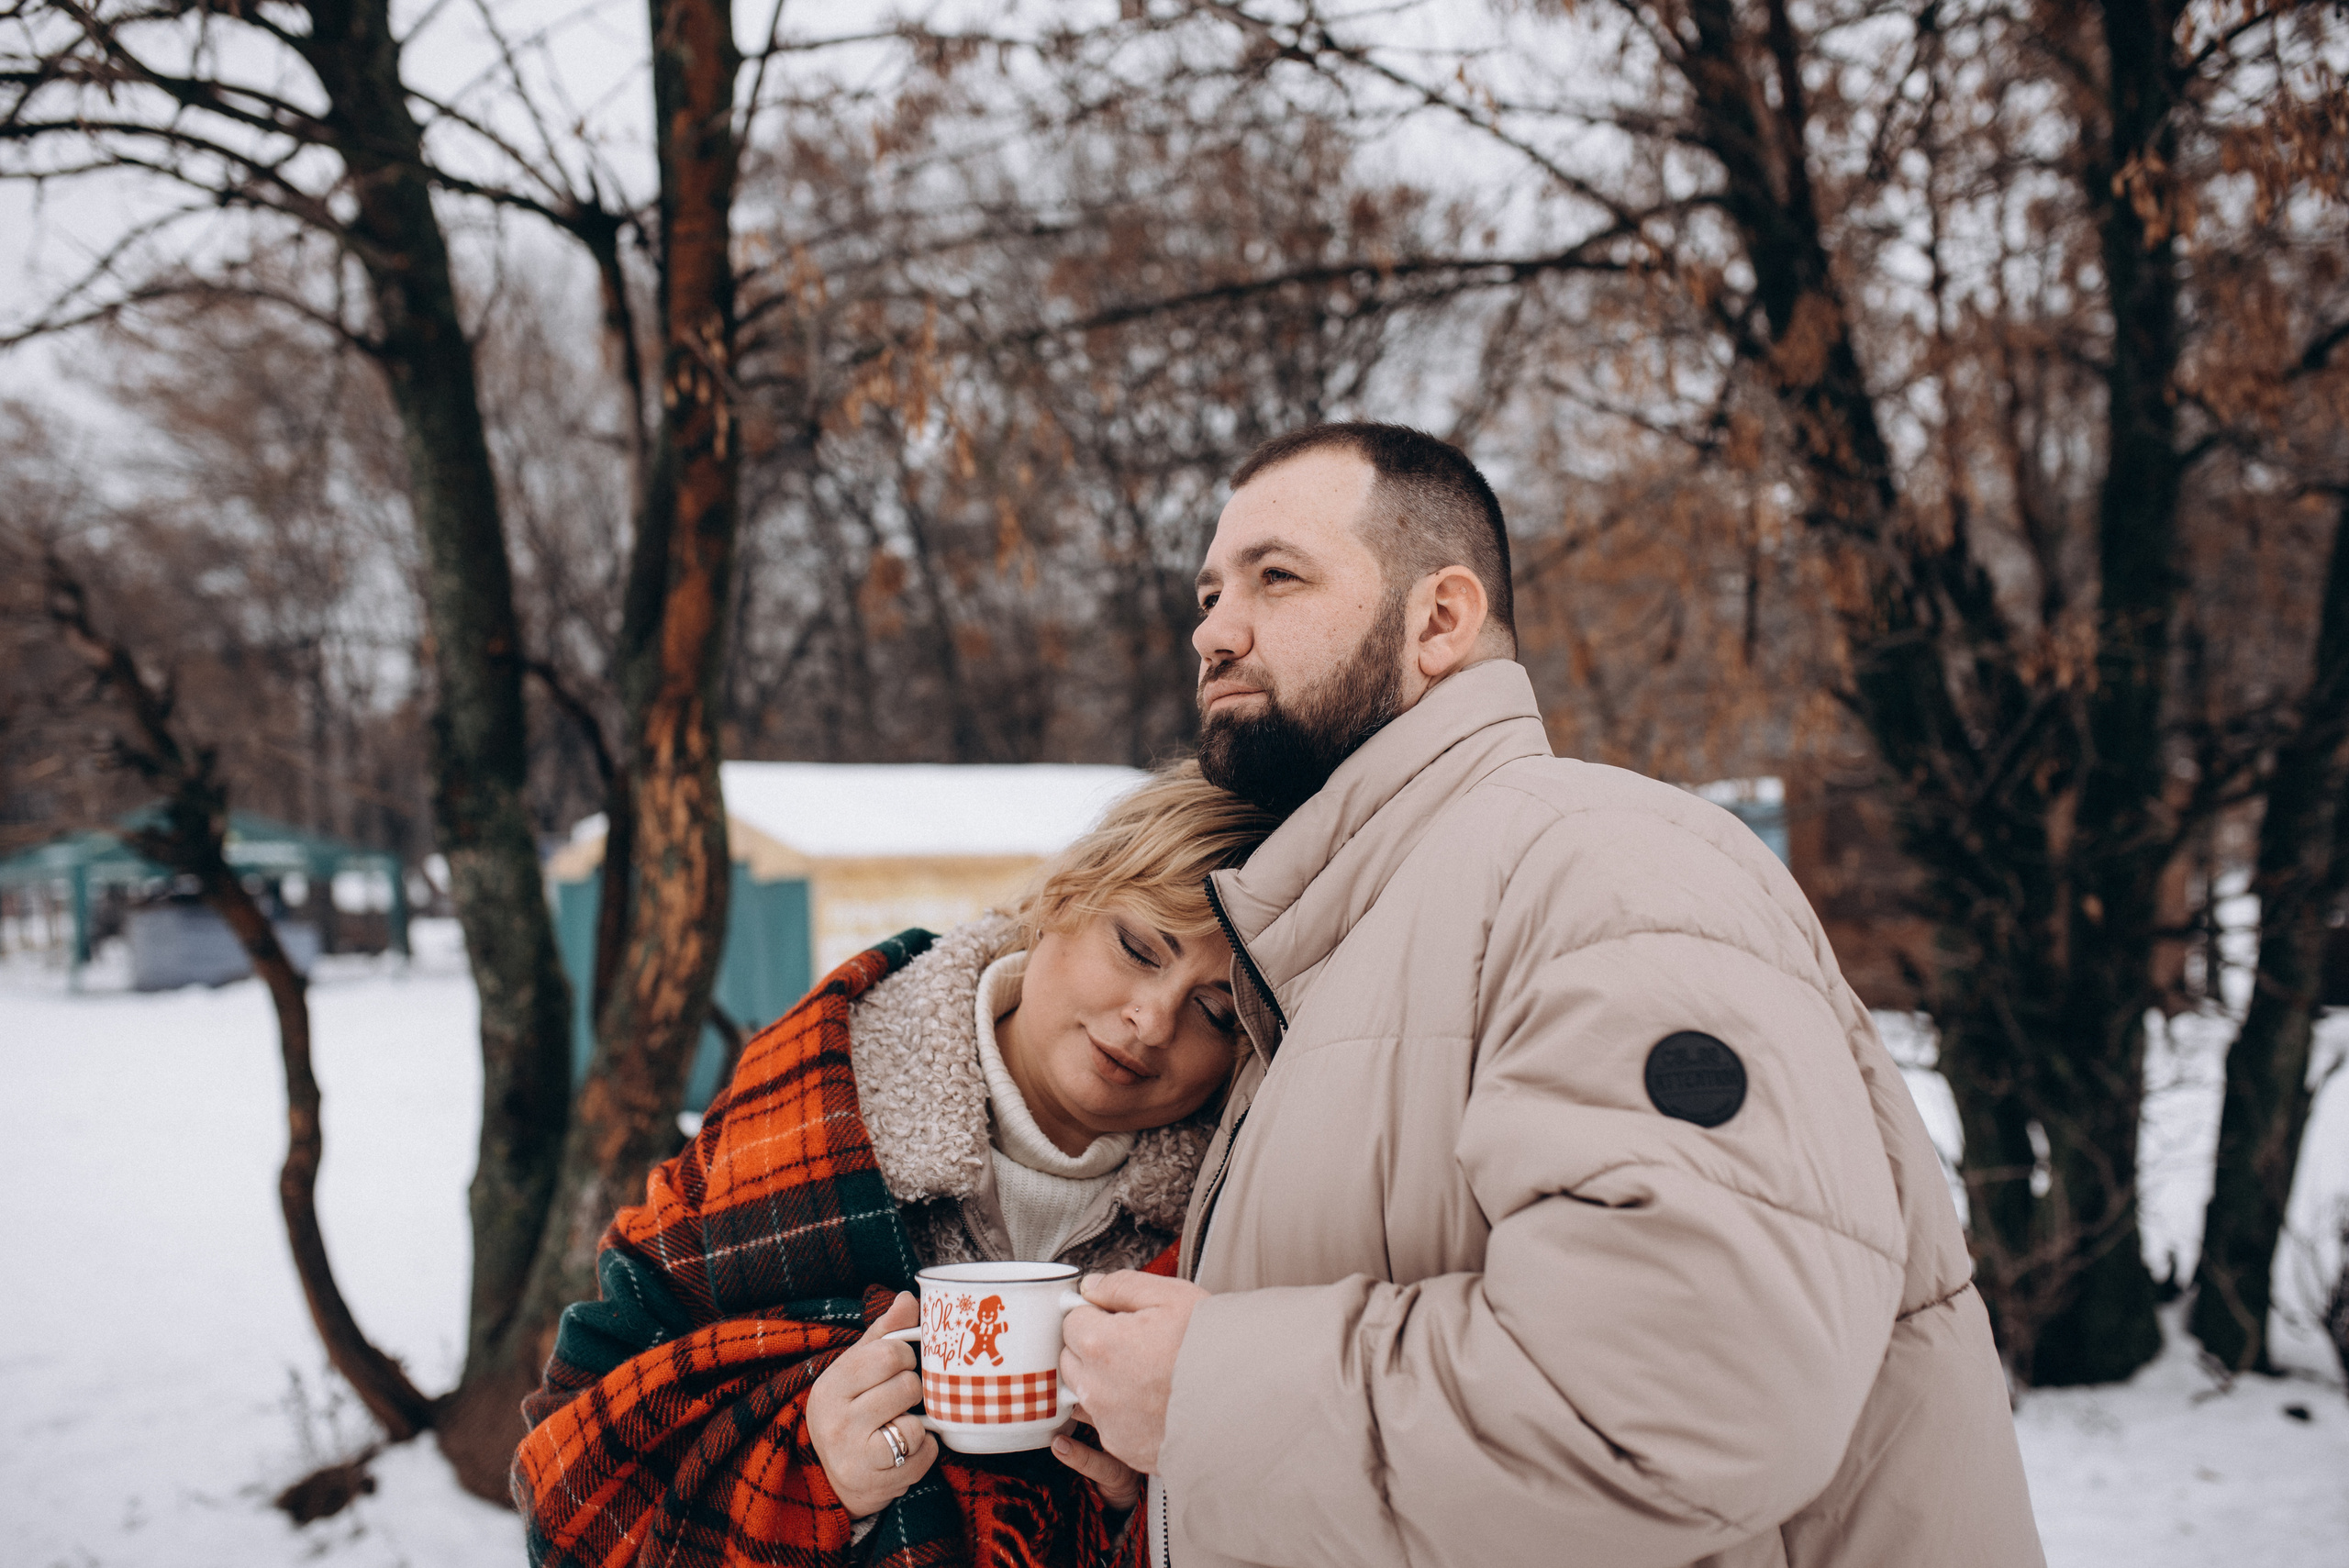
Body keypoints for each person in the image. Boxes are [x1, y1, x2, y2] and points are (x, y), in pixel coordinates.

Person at [1060, 424, 2046, 1568]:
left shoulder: (1605, 871)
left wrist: (1209, 1397)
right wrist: (1195, 1472)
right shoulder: (1340, 946)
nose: (1214, 630)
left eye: (1275, 577)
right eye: (1209, 592)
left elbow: (1683, 1394)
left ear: (1440, 619)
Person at [511, 762, 1277, 1568]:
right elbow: (573, 1484)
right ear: (1063, 899)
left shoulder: (1223, 1236)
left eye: (1214, 1011)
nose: (1152, 1020)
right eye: (1138, 948)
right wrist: (811, 1477)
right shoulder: (798, 1113)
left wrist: (1135, 1504)